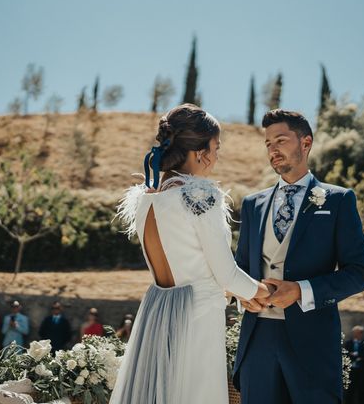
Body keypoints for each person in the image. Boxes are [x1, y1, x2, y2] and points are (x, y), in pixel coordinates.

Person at [111, 104, 271, 404]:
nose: (217, 156)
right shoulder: (200, 195)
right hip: (198, 317)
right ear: (200, 153)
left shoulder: (146, 201)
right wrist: (261, 291)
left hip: (158, 313)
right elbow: (225, 272)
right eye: (216, 147)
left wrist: (235, 292)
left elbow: (186, 265)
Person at [233, 109, 364, 404]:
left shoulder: (338, 200)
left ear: (305, 143)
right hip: (258, 341)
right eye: (268, 144)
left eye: (281, 140)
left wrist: (300, 290)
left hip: (312, 343)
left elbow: (360, 272)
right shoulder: (252, 204)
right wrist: (240, 293)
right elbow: (241, 268)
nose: (273, 150)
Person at [344, 325, 364, 404]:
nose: (355, 335)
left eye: (358, 333)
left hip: (362, 371)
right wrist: (357, 356)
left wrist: (356, 355)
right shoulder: (348, 343)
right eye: (354, 333)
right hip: (351, 371)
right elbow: (346, 354)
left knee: (362, 391)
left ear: (361, 334)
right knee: (350, 392)